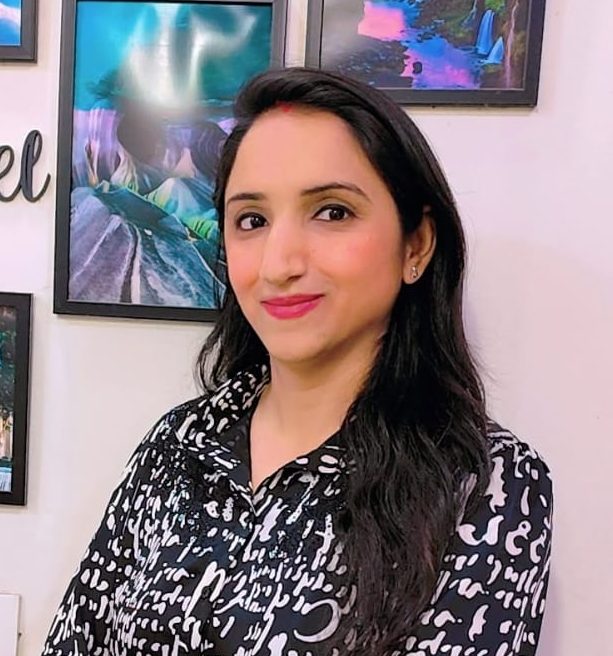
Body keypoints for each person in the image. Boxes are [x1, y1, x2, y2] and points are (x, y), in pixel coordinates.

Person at [42, 68, 553, 656]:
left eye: (332, 212)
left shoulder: (487, 485)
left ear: (415, 244)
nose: (279, 263)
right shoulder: (179, 443)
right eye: (252, 221)